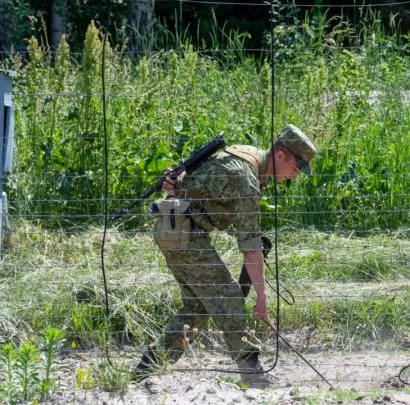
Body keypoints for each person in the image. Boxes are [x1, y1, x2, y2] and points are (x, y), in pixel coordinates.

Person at [133, 124, 317, 387]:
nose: (294, 176)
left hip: (177, 229)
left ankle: (145, 370)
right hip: (183, 233)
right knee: (228, 296)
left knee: (196, 310)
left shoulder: (252, 159)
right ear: (279, 155)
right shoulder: (248, 179)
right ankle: (252, 373)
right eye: (296, 168)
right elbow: (250, 246)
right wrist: (262, 299)